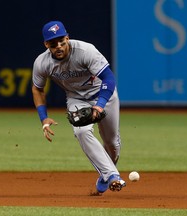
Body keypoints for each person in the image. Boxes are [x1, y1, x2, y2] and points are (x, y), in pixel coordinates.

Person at [32, 21, 126, 194]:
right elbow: (37, 89)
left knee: (111, 142)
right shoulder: (42, 62)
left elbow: (109, 78)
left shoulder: (85, 51)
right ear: (46, 44)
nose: (59, 46)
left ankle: (105, 174)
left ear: (67, 38)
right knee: (81, 131)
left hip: (104, 95)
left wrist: (99, 106)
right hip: (76, 98)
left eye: (62, 41)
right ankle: (111, 174)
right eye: (53, 43)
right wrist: (43, 118)